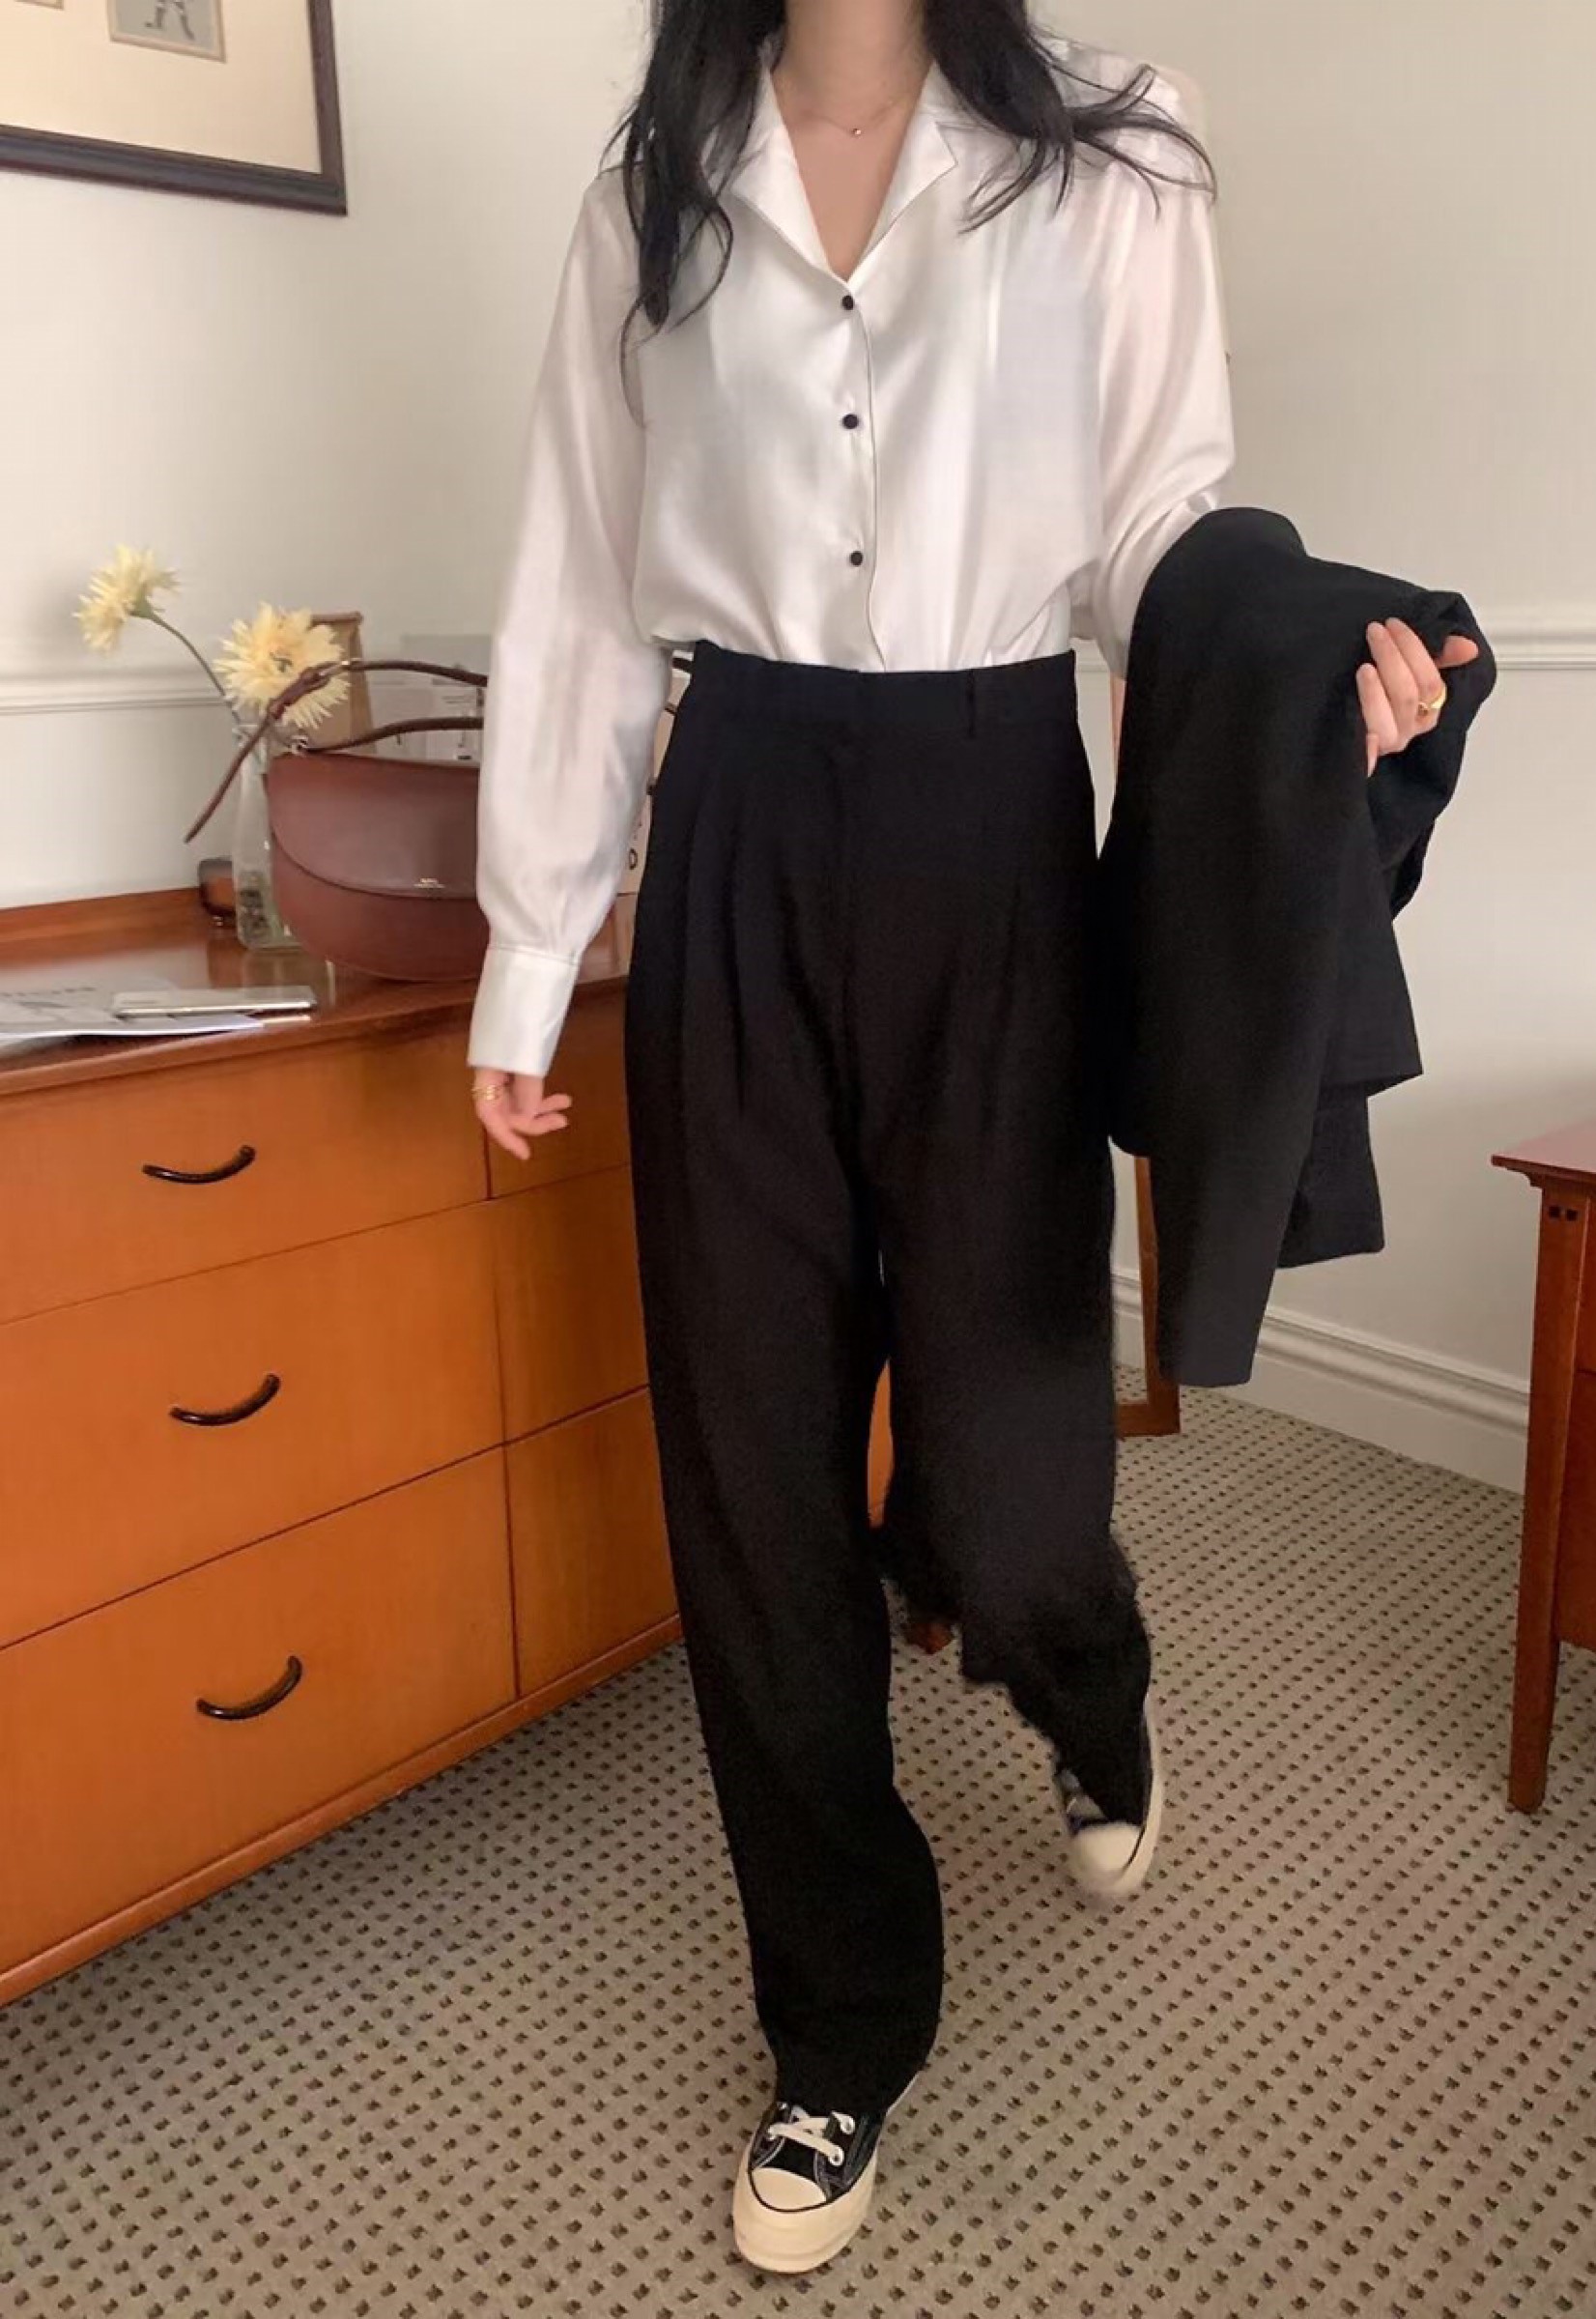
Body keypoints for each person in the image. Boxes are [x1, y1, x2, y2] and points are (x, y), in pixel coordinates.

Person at [465, 0, 1474, 2276]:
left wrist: (1305, 659)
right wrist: (534, 955)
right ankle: (842, 2023)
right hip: (735, 826)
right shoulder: (654, 179)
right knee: (751, 1480)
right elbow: (579, 570)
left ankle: (1087, 1689)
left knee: (1014, 1501)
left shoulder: (1114, 144)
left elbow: (1151, 524)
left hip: (995, 815)